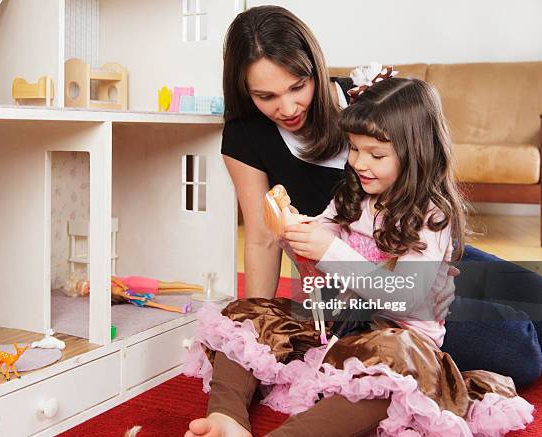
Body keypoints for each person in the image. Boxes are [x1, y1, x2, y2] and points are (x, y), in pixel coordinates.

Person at [184, 76, 534, 437]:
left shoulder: (431, 216)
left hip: (399, 342)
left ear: (417, 152)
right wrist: (296, 231)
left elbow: (407, 297)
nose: (359, 163)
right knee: (248, 317)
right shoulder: (354, 195)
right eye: (353, 149)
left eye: (376, 155)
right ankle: (226, 417)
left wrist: (330, 251)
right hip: (340, 328)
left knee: (387, 378)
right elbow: (321, 240)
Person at [219, 5, 541, 386]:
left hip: (421, 256)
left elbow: (423, 174)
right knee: (519, 345)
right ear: (244, 90)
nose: (287, 107)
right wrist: (261, 324)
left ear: (315, 68)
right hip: (362, 294)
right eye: (265, 96)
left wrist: (428, 276)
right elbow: (261, 236)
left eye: (297, 86)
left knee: (535, 299)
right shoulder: (246, 135)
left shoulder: (364, 101)